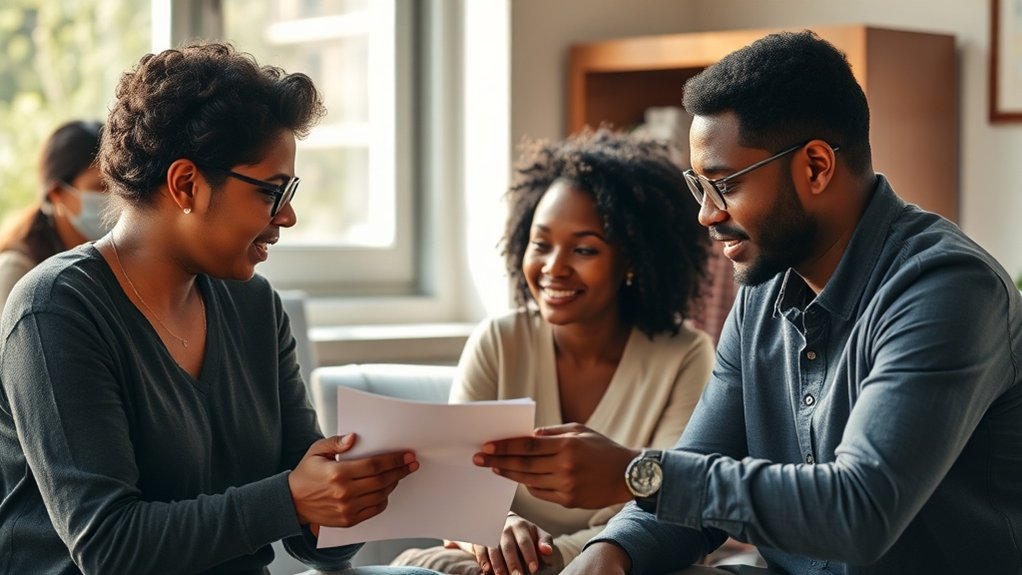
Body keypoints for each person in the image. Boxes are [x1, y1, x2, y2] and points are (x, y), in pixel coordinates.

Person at [474, 31, 1022, 575]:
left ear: (815, 167)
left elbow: (861, 510)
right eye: (699, 187)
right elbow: (698, 479)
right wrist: (604, 557)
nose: (706, 215)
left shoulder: (946, 290)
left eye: (725, 185)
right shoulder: (762, 290)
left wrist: (636, 473)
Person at [0, 43, 438, 575]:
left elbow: (312, 537)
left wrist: (350, 497)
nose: (289, 215)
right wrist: (291, 500)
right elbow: (109, 549)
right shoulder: (55, 310)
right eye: (272, 191)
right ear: (187, 184)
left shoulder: (254, 306)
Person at [394, 129, 715, 575]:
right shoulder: (499, 343)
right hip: (496, 566)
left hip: (613, 563)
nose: (553, 267)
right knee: (430, 566)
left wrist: (556, 559)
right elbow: (455, 493)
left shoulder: (686, 356)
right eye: (541, 244)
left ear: (632, 261)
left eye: (584, 249)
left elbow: (669, 509)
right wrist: (499, 529)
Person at [0, 119, 112, 310]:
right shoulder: (18, 270)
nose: (113, 198)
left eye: (117, 185)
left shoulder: (113, 259)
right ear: (57, 193)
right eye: (101, 187)